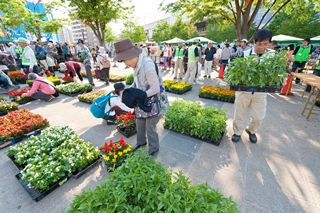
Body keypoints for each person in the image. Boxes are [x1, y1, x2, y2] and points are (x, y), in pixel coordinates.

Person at [114, 38, 166, 156]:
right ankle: (141, 142)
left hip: (152, 102)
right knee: (139, 122)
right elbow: (137, 83)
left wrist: (139, 95)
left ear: (129, 56)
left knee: (150, 127)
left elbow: (155, 88)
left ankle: (154, 148)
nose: (125, 64)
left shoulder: (147, 64)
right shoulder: (137, 65)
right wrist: (128, 91)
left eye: (123, 61)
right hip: (143, 101)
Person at [232, 29, 273, 144]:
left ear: (269, 43)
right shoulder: (244, 54)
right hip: (244, 90)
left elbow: (279, 70)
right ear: (254, 42)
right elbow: (233, 69)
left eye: (265, 44)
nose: (262, 47)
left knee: (258, 117)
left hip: (260, 91)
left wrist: (281, 76)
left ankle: (251, 130)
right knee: (238, 113)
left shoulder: (272, 56)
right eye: (259, 44)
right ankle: (237, 132)